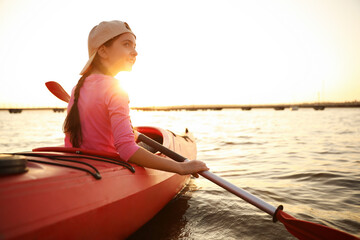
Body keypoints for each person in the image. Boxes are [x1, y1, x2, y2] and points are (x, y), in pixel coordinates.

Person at [63, 20, 208, 177]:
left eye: (134, 46)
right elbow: (126, 150)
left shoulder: (77, 88)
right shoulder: (115, 88)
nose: (135, 52)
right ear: (103, 51)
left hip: (79, 164)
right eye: (127, 44)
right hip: (107, 169)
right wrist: (181, 168)